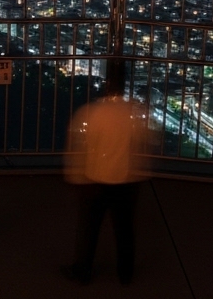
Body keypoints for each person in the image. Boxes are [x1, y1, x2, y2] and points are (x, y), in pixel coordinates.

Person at [62, 58, 152, 286]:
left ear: (106, 82)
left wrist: (76, 176)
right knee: (125, 229)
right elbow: (142, 146)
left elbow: (79, 148)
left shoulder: (92, 113)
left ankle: (83, 271)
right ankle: (125, 273)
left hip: (96, 179)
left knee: (89, 229)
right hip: (127, 180)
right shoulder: (134, 114)